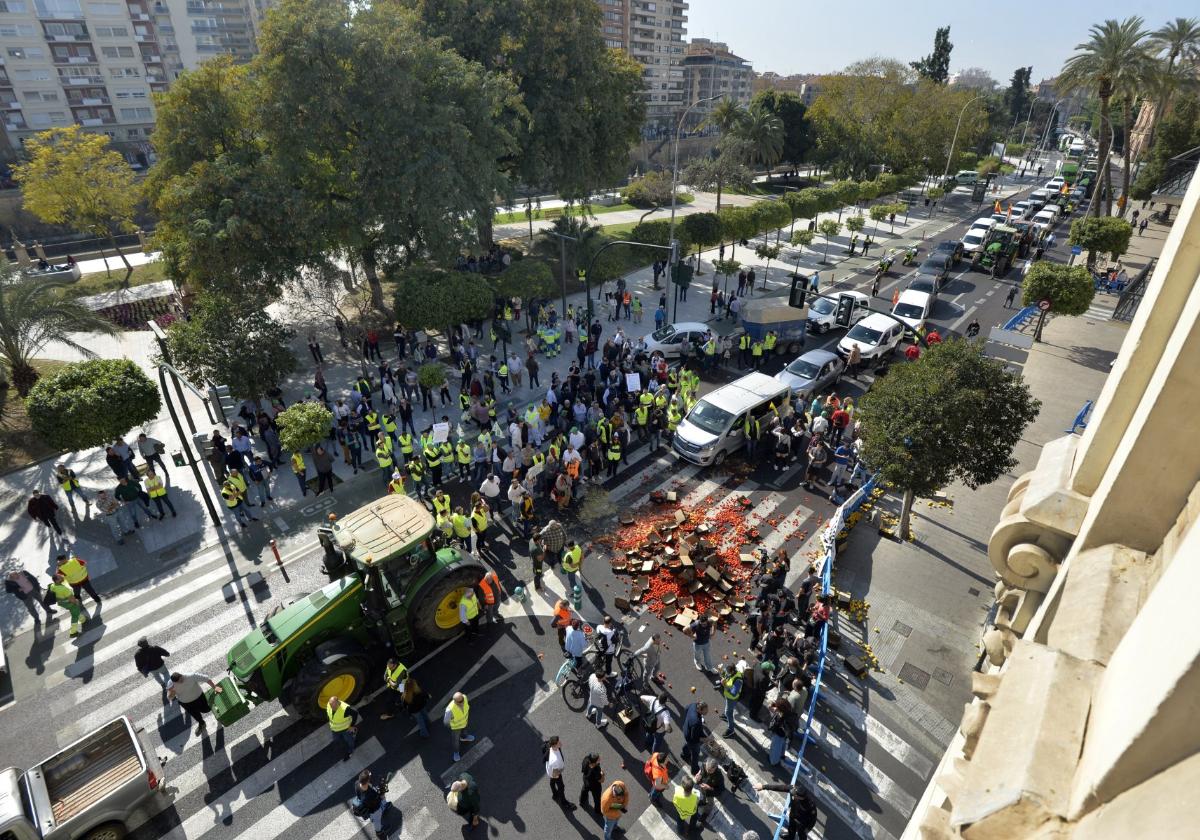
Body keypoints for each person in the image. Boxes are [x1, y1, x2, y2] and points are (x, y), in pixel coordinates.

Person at [755, 781, 819, 839]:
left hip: (802, 823)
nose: (792, 793)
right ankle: (790, 837)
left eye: (795, 794)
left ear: (801, 797)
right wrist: (763, 786)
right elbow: (781, 787)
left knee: (802, 834)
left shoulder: (810, 805)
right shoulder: (794, 789)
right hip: (793, 816)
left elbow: (813, 818)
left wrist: (808, 829)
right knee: (791, 829)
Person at [168, 671, 223, 736]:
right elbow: (170, 697)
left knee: (206, 709)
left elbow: (206, 678)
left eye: (181, 679)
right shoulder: (171, 684)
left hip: (199, 698)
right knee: (195, 715)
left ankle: (219, 714)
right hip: (186, 703)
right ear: (174, 681)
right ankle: (202, 724)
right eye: (178, 682)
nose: (181, 682)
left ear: (181, 675)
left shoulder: (191, 676)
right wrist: (172, 692)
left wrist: (215, 687)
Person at [351, 769, 389, 840]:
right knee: (377, 820)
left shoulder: (357, 783)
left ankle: (382, 810)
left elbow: (367, 788)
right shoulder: (370, 796)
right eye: (370, 777)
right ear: (368, 781)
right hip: (374, 810)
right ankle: (379, 832)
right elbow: (378, 802)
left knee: (375, 815)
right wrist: (382, 794)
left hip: (368, 805)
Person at [694, 758, 726, 829]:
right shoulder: (704, 764)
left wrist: (709, 788)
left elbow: (720, 790)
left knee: (710, 803)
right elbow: (701, 770)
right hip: (703, 787)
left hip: (710, 792)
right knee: (703, 796)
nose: (708, 771)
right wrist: (698, 775)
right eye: (707, 769)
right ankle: (703, 802)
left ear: (715, 768)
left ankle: (706, 813)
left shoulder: (719, 776)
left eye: (710, 770)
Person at [443, 692, 476, 762]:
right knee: (455, 741)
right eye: (460, 702)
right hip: (456, 728)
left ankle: (464, 737)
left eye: (462, 700)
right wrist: (452, 726)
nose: (462, 702)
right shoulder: (450, 710)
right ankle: (456, 752)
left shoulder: (465, 697)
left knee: (464, 731)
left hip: (464, 722)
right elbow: (446, 722)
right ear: (455, 701)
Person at [326, 695, 360, 760]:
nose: (332, 708)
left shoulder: (345, 709)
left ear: (338, 703)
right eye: (331, 706)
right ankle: (351, 734)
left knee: (350, 741)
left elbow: (355, 714)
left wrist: (351, 726)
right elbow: (329, 712)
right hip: (334, 729)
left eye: (334, 707)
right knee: (336, 739)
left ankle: (350, 751)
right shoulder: (329, 705)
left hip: (345, 729)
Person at [681, 700, 708, 773]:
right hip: (690, 736)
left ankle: (684, 754)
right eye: (705, 711)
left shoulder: (693, 705)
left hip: (686, 728)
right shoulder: (696, 722)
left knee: (688, 744)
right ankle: (694, 770)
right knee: (695, 753)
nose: (707, 712)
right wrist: (703, 739)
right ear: (699, 710)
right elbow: (694, 738)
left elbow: (686, 709)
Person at [719, 662, 744, 737]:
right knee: (728, 709)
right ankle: (726, 716)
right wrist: (720, 671)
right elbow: (725, 675)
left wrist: (725, 685)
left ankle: (731, 730)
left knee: (729, 712)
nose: (726, 672)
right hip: (728, 697)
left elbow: (734, 693)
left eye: (728, 671)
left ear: (733, 671)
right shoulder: (730, 672)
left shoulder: (738, 680)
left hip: (732, 698)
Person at [544, 735, 570, 806]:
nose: (560, 743)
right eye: (559, 742)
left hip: (550, 771)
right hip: (555, 773)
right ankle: (563, 802)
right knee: (561, 787)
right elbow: (555, 775)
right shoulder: (554, 760)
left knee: (552, 782)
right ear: (554, 745)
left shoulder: (552, 747)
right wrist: (561, 770)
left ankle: (555, 794)